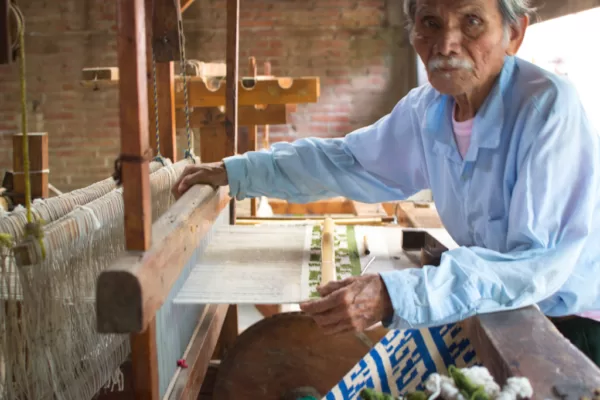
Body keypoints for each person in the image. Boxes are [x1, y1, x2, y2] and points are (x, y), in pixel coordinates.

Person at [172, 0, 600, 367]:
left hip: (573, 330)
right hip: (500, 312)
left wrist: (396, 294)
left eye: (471, 21)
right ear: (413, 32)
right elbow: (344, 162)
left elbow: (536, 263)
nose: (447, 44)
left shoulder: (546, 108)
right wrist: (237, 172)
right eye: (430, 22)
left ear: (514, 33)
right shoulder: (428, 110)